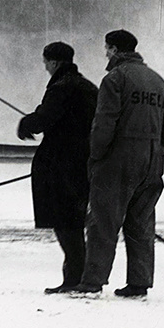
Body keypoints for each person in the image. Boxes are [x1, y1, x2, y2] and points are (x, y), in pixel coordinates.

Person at [73, 29, 164, 297]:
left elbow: (104, 121)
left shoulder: (115, 78)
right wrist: (160, 147)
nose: (105, 54)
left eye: (107, 49)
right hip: (152, 159)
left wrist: (96, 155)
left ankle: (93, 280)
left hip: (118, 158)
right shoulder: (157, 80)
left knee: (103, 221)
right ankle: (139, 282)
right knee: (141, 223)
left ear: (116, 50)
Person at [17, 41, 98, 293]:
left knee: (65, 223)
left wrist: (26, 123)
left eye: (45, 62)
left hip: (61, 164)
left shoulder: (61, 87)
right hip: (84, 161)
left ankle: (74, 278)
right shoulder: (88, 87)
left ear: (53, 62)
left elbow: (45, 118)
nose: (45, 67)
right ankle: (79, 276)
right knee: (74, 220)